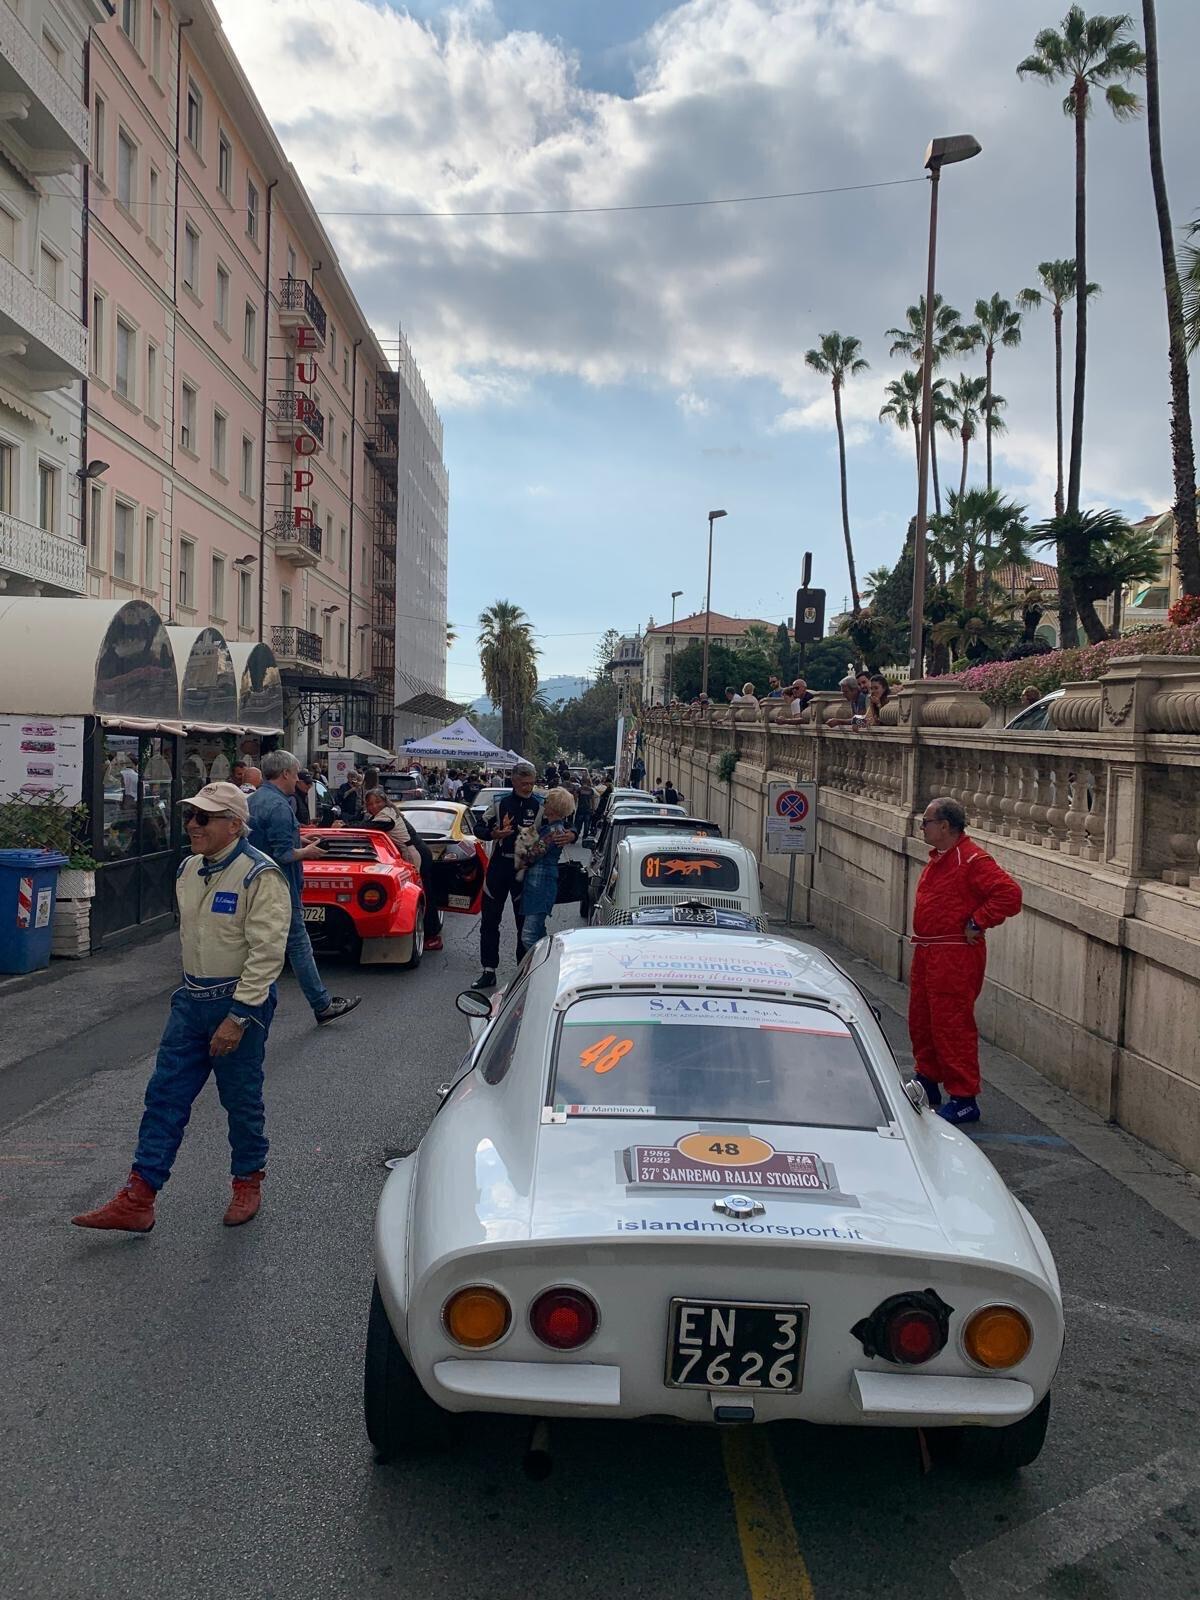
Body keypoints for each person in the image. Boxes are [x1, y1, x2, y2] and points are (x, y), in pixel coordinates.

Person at [71, 783, 292, 1233]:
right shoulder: (189, 869)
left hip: (237, 1005)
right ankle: (140, 1196)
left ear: (234, 824)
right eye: (190, 816)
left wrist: (238, 1016)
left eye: (204, 818)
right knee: (164, 1096)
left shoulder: (259, 875)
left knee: (241, 1099)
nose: (192, 824)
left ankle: (248, 1180)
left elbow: (268, 952)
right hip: (191, 1001)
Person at [908, 797, 1023, 1126]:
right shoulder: (943, 858)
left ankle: (963, 1097)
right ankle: (928, 1080)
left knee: (951, 1024)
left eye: (926, 822)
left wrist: (978, 921)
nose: (923, 827)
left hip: (953, 955)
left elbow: (1009, 894)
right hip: (931, 951)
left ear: (945, 826)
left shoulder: (972, 859)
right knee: (922, 1019)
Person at [248, 750, 360, 1026]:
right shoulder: (279, 806)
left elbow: (267, 839)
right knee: (298, 943)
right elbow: (283, 853)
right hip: (281, 883)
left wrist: (302, 836)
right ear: (285, 773)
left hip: (255, 881)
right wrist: (308, 851)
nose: (298, 778)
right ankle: (321, 1004)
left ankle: (247, 1000)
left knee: (256, 941)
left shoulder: (254, 800)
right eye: (296, 773)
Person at [475, 761, 573, 987]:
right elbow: (478, 827)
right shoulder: (499, 802)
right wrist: (493, 833)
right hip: (499, 867)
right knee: (490, 920)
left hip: (525, 872)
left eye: (532, 783)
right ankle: (488, 969)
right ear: (514, 780)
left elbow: (564, 824)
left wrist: (573, 835)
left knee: (524, 925)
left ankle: (523, 973)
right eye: (525, 783)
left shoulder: (541, 804)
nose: (529, 787)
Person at [359, 789, 444, 950]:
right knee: (424, 893)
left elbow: (365, 827)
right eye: (370, 804)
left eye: (377, 802)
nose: (374, 806)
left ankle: (433, 936)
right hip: (417, 852)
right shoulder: (389, 811)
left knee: (422, 895)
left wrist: (342, 824)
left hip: (415, 855)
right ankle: (430, 932)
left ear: (384, 802)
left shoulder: (386, 816)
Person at [518, 787, 576, 948]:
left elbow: (532, 855)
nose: (544, 804)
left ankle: (543, 966)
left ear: (553, 807)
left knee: (528, 937)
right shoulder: (556, 829)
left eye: (547, 802)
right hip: (541, 884)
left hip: (540, 885)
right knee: (539, 932)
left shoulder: (553, 831)